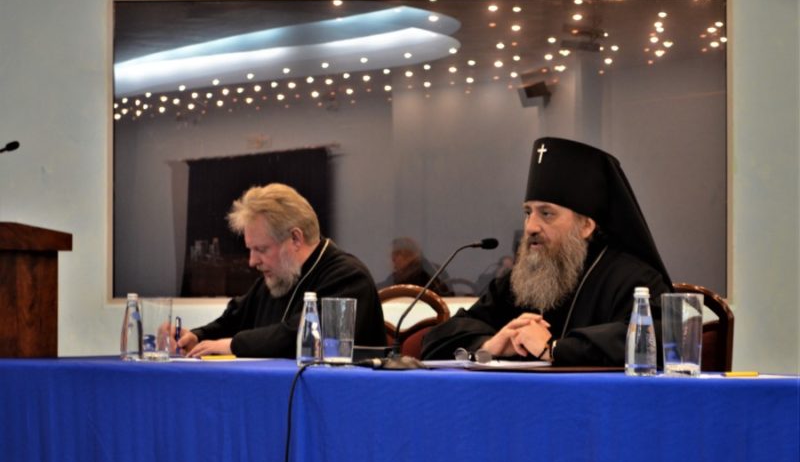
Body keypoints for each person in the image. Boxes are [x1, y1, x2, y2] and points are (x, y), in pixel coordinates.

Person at [421, 137, 672, 366]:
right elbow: (437, 340)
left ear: (586, 226)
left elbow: (659, 339)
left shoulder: (634, 280)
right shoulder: (520, 281)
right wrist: (488, 345)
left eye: (547, 213)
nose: (530, 227)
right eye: (527, 212)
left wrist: (555, 349)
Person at [176, 183, 385, 358]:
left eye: (261, 249)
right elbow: (233, 322)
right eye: (250, 250)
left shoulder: (349, 278)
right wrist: (197, 336)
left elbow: (305, 337)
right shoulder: (277, 278)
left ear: (295, 238)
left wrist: (234, 345)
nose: (252, 262)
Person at [377, 237, 453, 296]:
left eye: (395, 254)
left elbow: (389, 290)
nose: (391, 260)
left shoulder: (422, 275)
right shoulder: (435, 270)